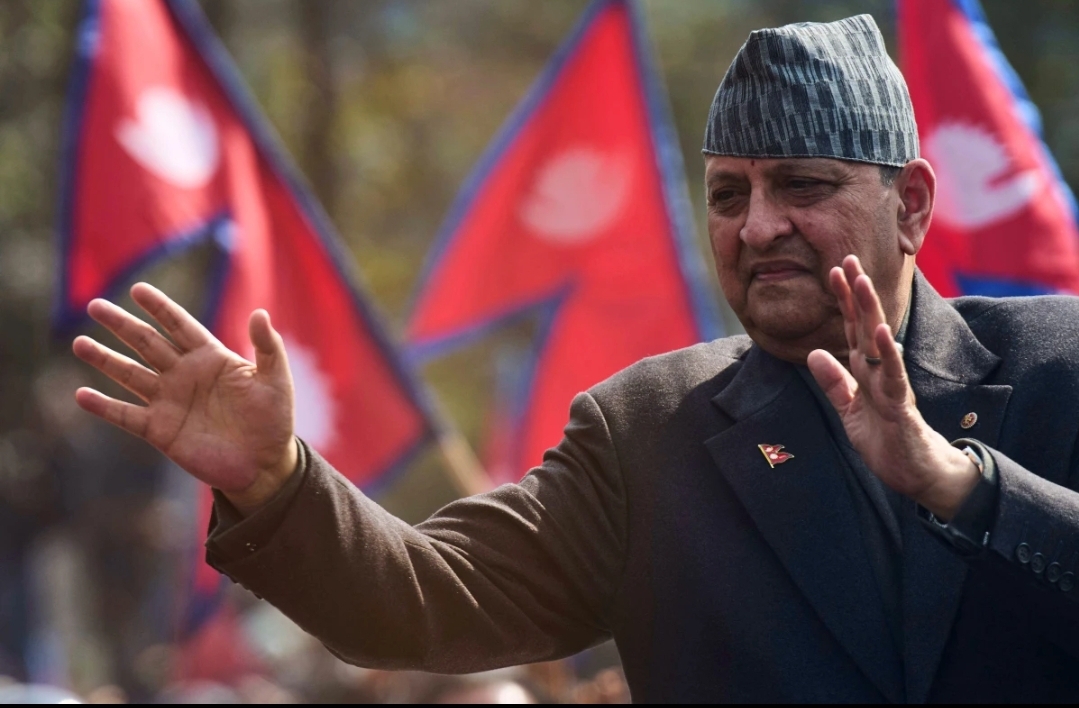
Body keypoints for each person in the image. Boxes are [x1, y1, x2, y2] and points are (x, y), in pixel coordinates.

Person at [72, 15, 1079, 703]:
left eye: (800, 185)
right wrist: (275, 482)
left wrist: (961, 489)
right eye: (727, 194)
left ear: (907, 205)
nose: (757, 224)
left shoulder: (1054, 369)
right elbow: (423, 599)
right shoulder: (653, 429)